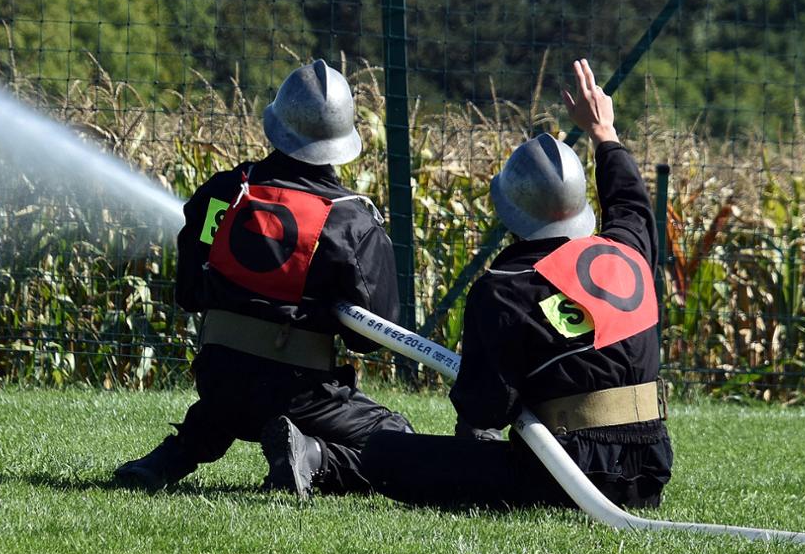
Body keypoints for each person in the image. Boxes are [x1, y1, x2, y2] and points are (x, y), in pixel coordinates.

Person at [290, 58, 671, 509]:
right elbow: (631, 202)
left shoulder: (505, 289)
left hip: (565, 477)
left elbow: (485, 408)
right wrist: (604, 132)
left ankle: (323, 459)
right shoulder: (628, 252)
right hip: (649, 473)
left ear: (510, 211)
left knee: (387, 452)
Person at [114, 59, 413, 497]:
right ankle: (313, 457)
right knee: (400, 444)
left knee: (232, 398)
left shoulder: (223, 194)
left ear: (276, 124)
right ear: (343, 140)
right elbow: (369, 337)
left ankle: (170, 458)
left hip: (218, 379)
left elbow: (190, 293)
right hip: (300, 395)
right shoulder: (352, 221)